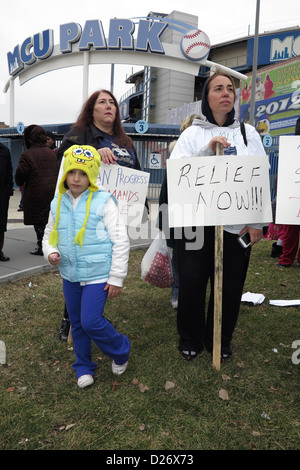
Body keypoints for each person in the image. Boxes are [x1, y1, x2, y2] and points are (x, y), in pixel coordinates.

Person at [169, 72, 266, 362]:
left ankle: (220, 339)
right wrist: (205, 152)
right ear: (206, 98)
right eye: (218, 89)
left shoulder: (249, 134)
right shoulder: (191, 134)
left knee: (231, 281)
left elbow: (260, 178)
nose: (226, 93)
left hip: (236, 225)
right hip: (195, 223)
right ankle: (190, 337)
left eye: (230, 89)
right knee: (191, 279)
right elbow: (178, 175)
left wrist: (256, 222)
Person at [56, 89, 147, 341]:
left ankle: (91, 316)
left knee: (103, 269)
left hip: (118, 215)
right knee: (82, 268)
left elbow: (136, 176)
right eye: (102, 102)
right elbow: (63, 164)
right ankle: (71, 319)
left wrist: (142, 209)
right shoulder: (79, 135)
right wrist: (92, 153)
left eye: (112, 103)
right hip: (86, 216)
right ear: (91, 109)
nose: (108, 106)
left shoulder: (125, 142)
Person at [43, 144, 130, 388]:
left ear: (92, 175)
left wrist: (116, 277)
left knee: (91, 321)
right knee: (77, 323)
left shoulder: (104, 201)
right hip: (70, 274)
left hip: (98, 274)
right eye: (72, 172)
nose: (77, 178)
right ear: (65, 174)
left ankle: (121, 349)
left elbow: (120, 239)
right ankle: (83, 366)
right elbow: (49, 234)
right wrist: (51, 252)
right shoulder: (57, 202)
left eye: (83, 173)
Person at [158, 114, 200, 309]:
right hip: (179, 214)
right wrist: (163, 220)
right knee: (179, 254)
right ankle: (177, 290)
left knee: (198, 254)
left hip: (201, 214)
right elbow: (166, 191)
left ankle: (192, 291)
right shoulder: (177, 156)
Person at [15, 125, 58, 255]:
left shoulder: (27, 155)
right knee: (48, 218)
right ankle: (51, 243)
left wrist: (19, 182)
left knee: (38, 220)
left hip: (36, 191)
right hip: (52, 190)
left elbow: (20, 176)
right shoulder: (51, 153)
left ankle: (41, 246)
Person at [277, 116, 300, 267]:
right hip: (293, 190)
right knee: (290, 227)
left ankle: (286, 259)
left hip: (292, 190)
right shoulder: (292, 148)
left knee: (290, 228)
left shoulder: (291, 147)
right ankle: (286, 258)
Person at [0, 142, 13, 261]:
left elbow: (9, 171)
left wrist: (8, 191)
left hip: (2, 194)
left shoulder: (4, 150)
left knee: (1, 224)